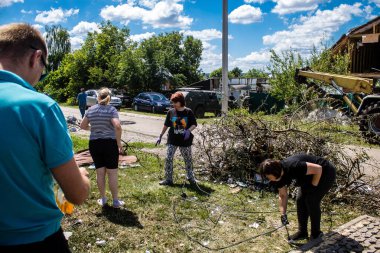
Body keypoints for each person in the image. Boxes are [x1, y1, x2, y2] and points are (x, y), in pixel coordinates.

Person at [0, 23, 90, 252]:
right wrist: (82, 176)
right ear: (35, 57)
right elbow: (77, 194)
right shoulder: (39, 106)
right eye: (44, 67)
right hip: (35, 239)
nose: (41, 74)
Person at [260, 154, 336, 245]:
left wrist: (313, 187)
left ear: (276, 172)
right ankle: (302, 232)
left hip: (325, 172)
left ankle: (316, 234)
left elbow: (318, 169)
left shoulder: (293, 166)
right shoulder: (277, 179)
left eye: (268, 176)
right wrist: (283, 213)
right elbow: (283, 195)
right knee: (300, 200)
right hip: (308, 177)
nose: (268, 179)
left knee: (311, 200)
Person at [80, 88, 124, 208]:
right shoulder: (112, 110)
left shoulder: (91, 109)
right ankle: (115, 201)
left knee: (100, 172)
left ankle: (103, 199)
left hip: (95, 144)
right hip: (110, 143)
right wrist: (119, 144)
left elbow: (82, 126)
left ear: (98, 97)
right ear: (109, 98)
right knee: (112, 173)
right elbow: (118, 126)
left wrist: (93, 129)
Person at [156, 92, 198, 186]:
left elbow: (194, 124)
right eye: (173, 102)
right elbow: (166, 125)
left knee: (187, 159)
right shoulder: (171, 112)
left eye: (176, 102)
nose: (174, 104)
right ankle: (168, 179)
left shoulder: (188, 111)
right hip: (172, 139)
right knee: (168, 158)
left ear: (181, 101)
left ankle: (190, 177)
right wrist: (160, 135)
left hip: (185, 140)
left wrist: (188, 131)